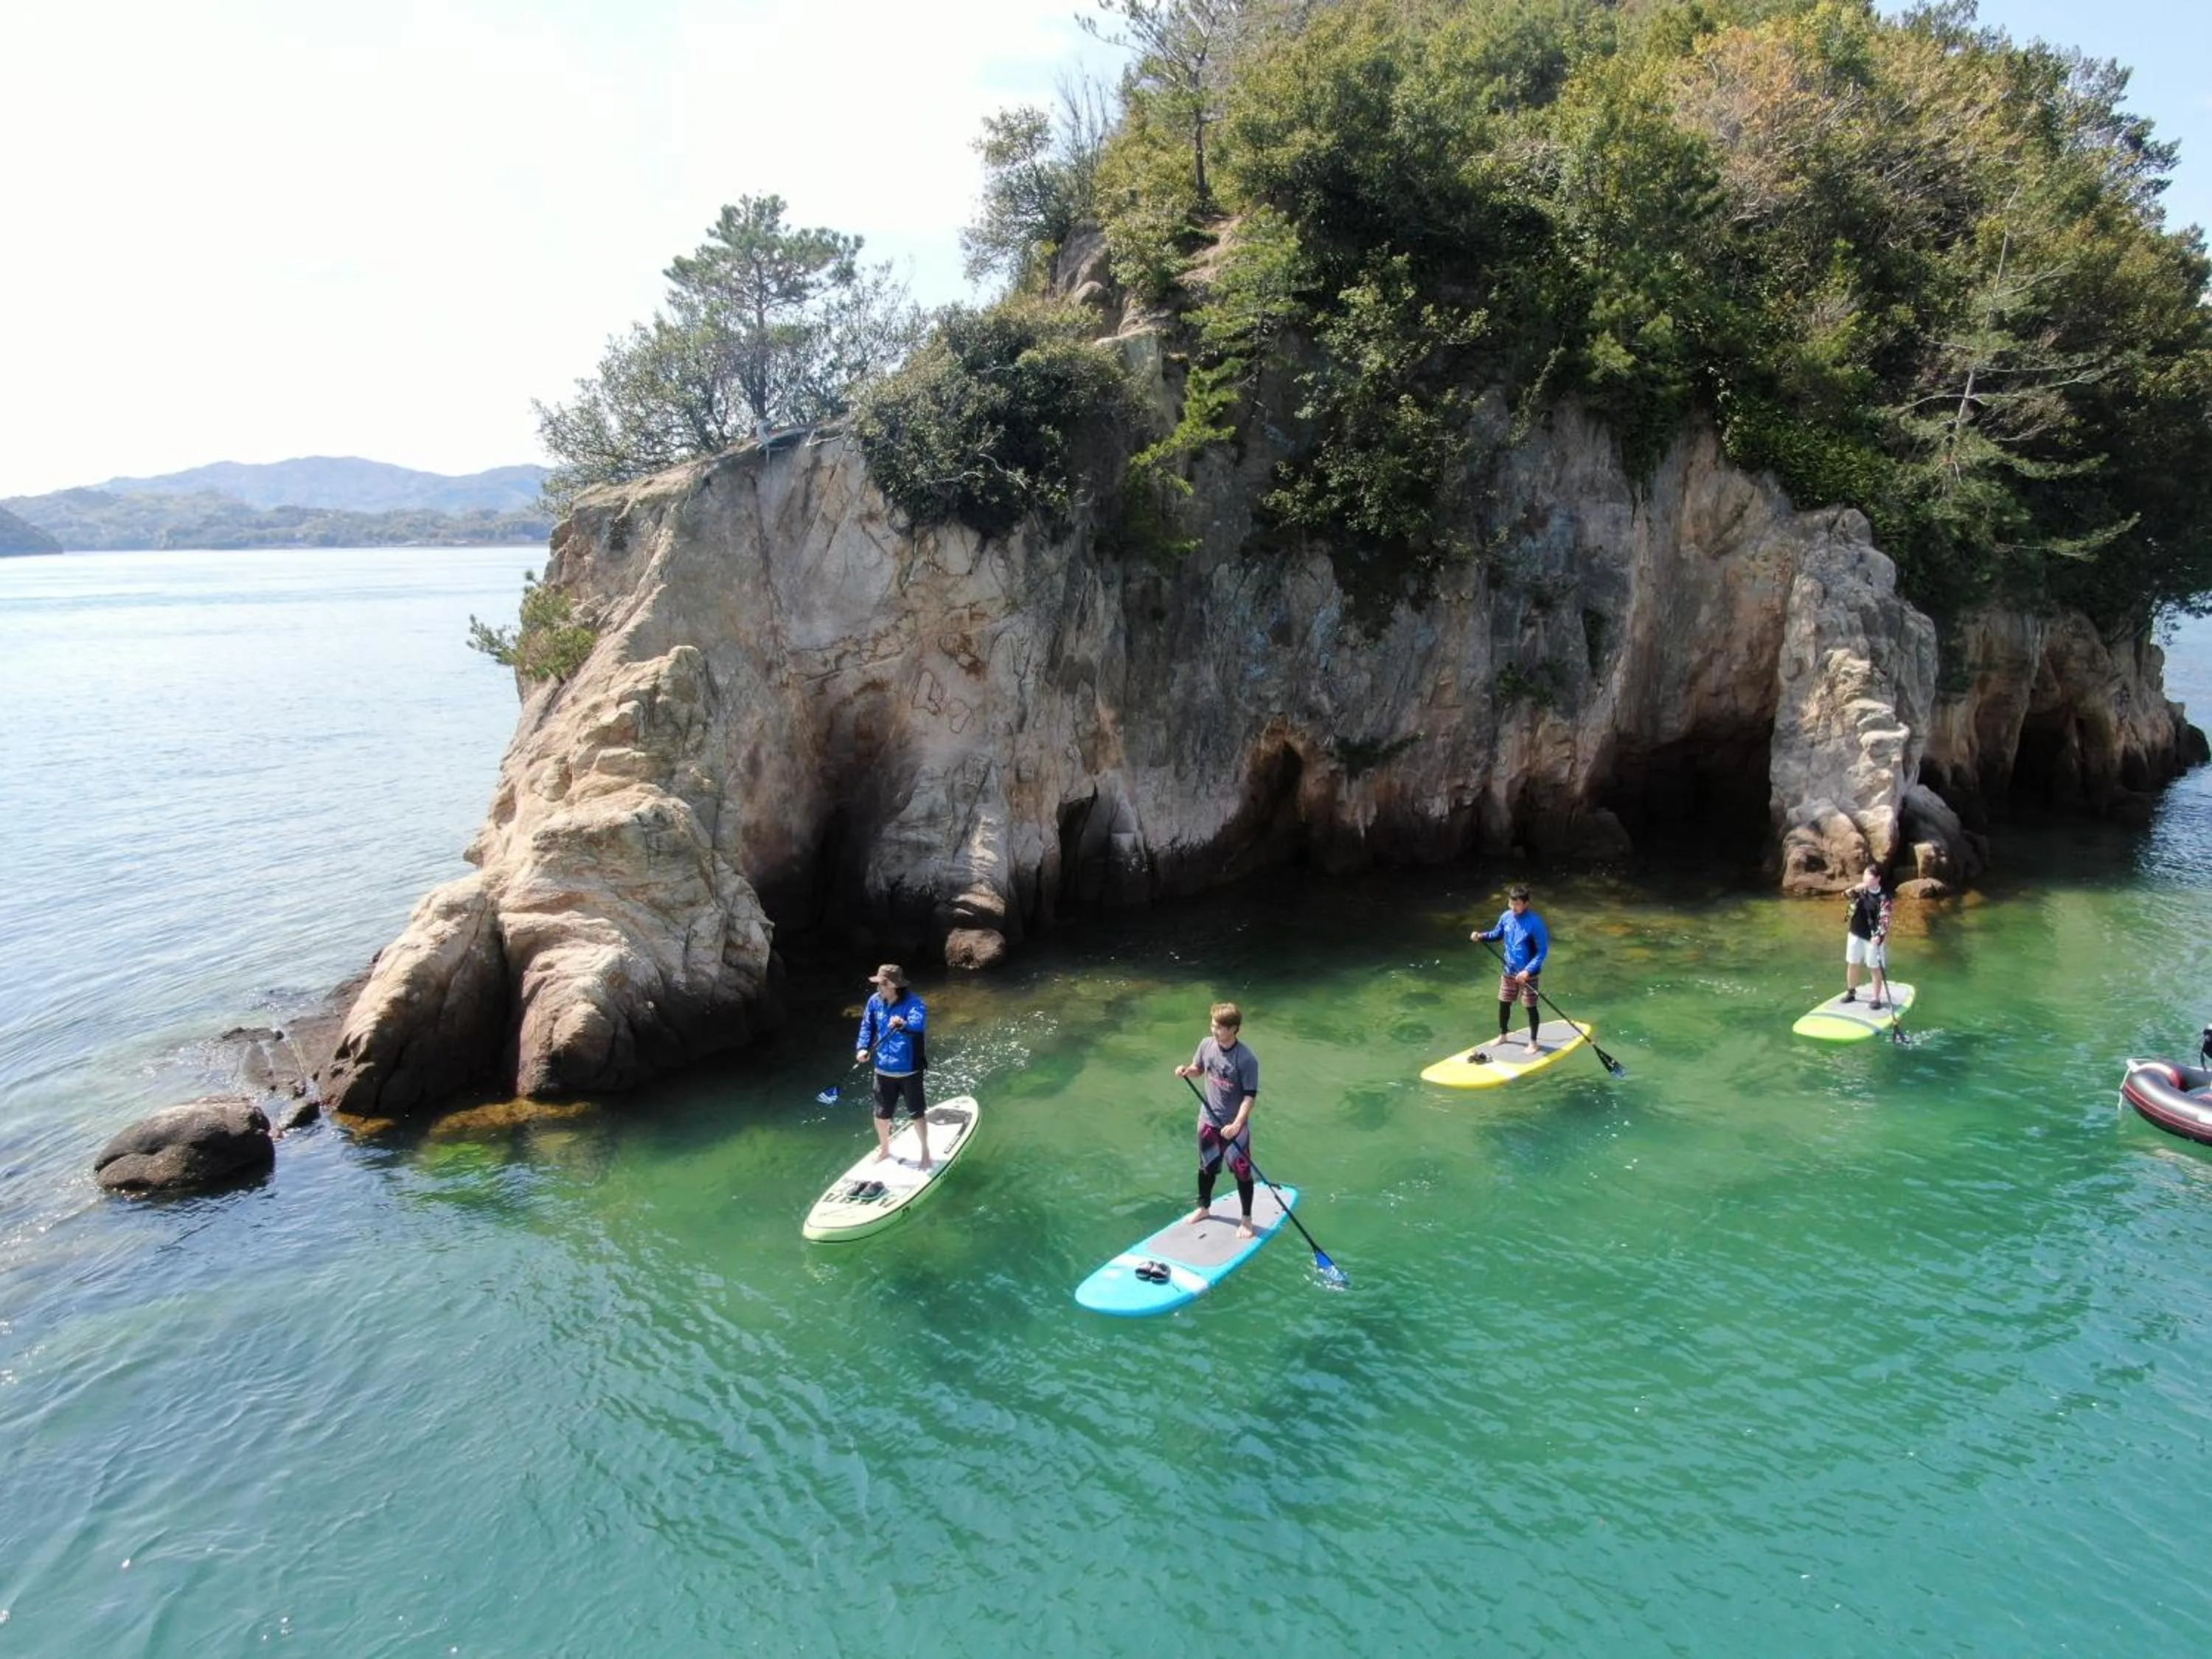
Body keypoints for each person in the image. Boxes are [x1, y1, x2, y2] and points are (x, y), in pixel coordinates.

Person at [1173, 1001, 1259, 1239]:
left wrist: (1237, 1125)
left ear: (1233, 1029)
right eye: (1212, 1025)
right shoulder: (1206, 1044)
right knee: (1206, 1167)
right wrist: (1186, 1071)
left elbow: (1250, 1097)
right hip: (1208, 1121)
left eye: (1219, 1027)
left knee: (1242, 1172)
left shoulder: (1246, 1059)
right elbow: (1198, 1068)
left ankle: (1247, 1218)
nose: (1214, 1031)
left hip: (1233, 1127)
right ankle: (1204, 1207)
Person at [855, 963, 930, 1168]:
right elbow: (867, 1026)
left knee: (917, 1114)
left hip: (910, 1070)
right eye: (878, 983)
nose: (879, 987)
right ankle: (885, 1149)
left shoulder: (914, 1003)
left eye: (883, 984)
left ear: (895, 985)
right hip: (882, 1069)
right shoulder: (874, 1001)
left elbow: (917, 1026)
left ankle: (925, 1153)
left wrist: (902, 1024)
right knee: (880, 1115)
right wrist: (862, 1048)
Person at [1472, 883, 1550, 1051]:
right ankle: (1503, 1035)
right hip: (1509, 970)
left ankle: (1533, 1042)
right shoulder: (1506, 916)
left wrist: (1527, 971)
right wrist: (1481, 936)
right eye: (1511, 903)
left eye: (1517, 904)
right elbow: (1497, 934)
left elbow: (1542, 951)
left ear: (1526, 904)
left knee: (1530, 1006)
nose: (1513, 907)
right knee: (1504, 1003)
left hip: (1528, 974)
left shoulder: (1535, 923)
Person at [1843, 866, 1893, 1009]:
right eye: (1864, 874)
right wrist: (1855, 889)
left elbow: (1885, 919)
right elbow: (1844, 896)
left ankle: (1876, 998)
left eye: (1868, 875)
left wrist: (1879, 936)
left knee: (1874, 967)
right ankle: (1851, 992)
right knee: (1853, 963)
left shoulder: (1884, 897)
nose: (1865, 878)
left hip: (1872, 937)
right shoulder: (1860, 891)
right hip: (1855, 932)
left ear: (1877, 879)